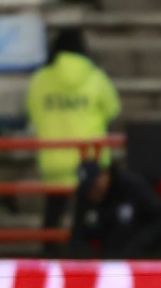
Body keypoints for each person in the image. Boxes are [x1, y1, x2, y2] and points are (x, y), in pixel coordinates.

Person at [26, 27, 120, 253]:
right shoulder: (95, 77)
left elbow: (32, 111)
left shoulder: (40, 79)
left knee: (53, 214)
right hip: (88, 158)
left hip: (53, 158)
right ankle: (83, 261)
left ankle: (48, 261)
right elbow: (113, 110)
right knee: (87, 216)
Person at [69, 160, 161, 258]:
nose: (92, 193)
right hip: (108, 260)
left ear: (105, 175)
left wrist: (140, 244)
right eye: (87, 189)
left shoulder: (131, 186)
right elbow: (77, 235)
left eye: (95, 186)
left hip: (142, 256)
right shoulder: (85, 197)